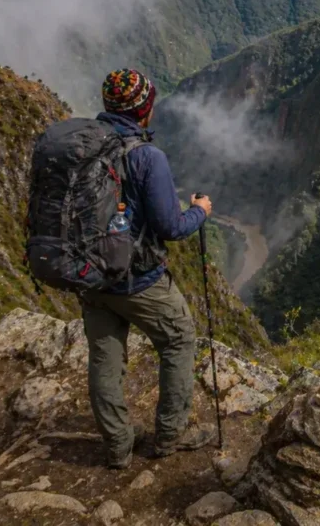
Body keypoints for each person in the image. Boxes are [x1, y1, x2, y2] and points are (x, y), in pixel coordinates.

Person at [81, 68, 216, 469]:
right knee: (178, 339)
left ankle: (118, 447)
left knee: (104, 359)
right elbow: (170, 228)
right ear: (146, 109)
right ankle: (170, 436)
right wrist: (200, 211)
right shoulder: (146, 156)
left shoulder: (85, 145)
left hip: (89, 275)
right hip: (138, 279)